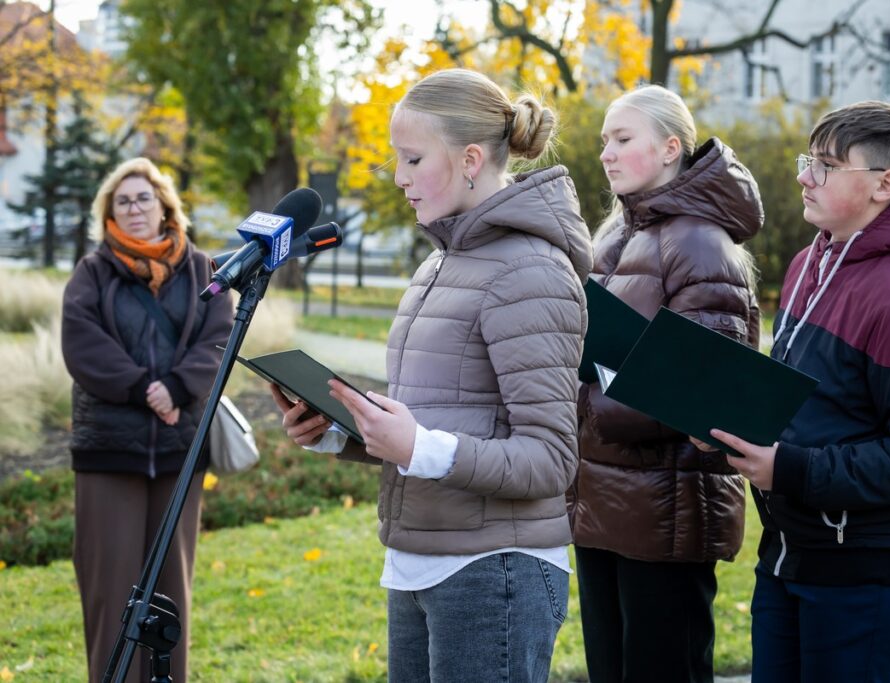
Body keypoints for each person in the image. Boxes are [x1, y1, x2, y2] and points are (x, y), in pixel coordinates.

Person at [271, 68, 593, 682]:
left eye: (413, 158)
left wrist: (421, 447)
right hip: (420, 560)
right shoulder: (440, 265)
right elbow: (440, 423)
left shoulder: (531, 271)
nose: (399, 177)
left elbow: (552, 460)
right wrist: (340, 431)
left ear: (471, 159)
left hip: (496, 572)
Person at [698, 101, 890, 683]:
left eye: (824, 165)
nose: (804, 176)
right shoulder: (808, 263)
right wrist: (726, 419)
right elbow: (802, 403)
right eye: (807, 160)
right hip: (792, 551)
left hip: (865, 569)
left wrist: (790, 470)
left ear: (883, 184)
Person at [567, 84, 763, 682]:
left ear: (671, 147)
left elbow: (707, 393)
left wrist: (593, 395)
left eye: (623, 139)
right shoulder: (611, 237)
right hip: (602, 500)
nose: (607, 153)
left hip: (667, 511)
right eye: (604, 141)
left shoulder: (701, 245)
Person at [61, 157, 232, 682]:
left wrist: (178, 388)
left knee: (169, 593)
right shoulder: (93, 272)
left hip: (180, 447)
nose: (134, 208)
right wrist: (143, 388)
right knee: (111, 590)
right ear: (109, 213)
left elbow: (219, 333)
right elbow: (81, 341)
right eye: (122, 200)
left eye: (143, 198)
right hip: (109, 450)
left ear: (164, 206)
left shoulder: (204, 270)